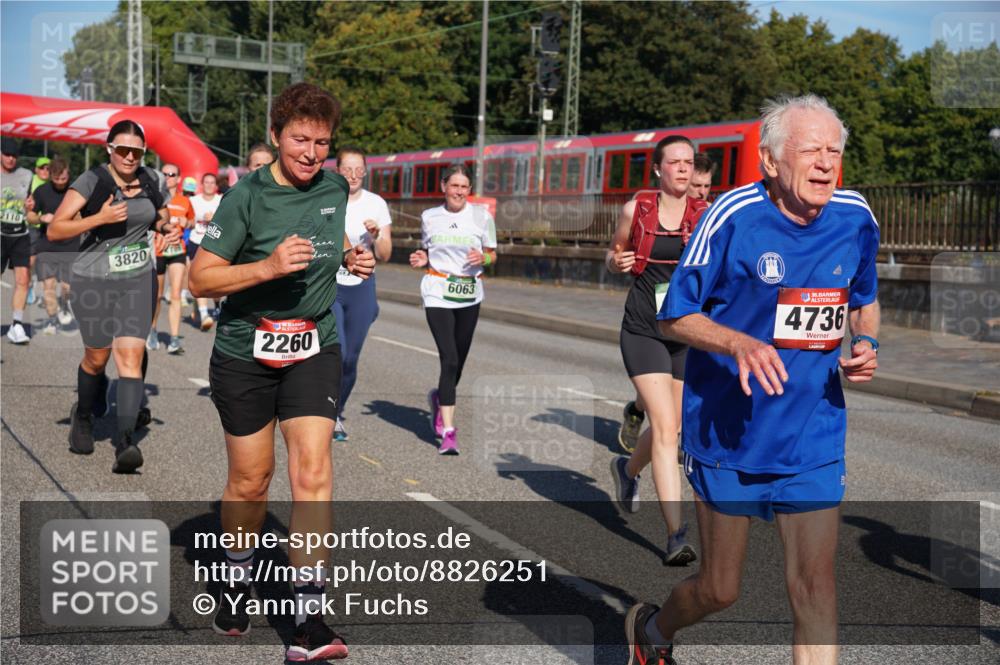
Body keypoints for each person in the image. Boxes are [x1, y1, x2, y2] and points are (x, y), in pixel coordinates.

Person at [625, 94, 880, 665]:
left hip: (812, 434)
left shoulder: (855, 217)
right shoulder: (732, 216)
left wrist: (866, 342)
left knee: (815, 587)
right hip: (729, 433)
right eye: (810, 151)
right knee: (720, 589)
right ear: (770, 160)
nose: (825, 164)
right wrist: (738, 342)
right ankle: (654, 630)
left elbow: (864, 298)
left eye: (834, 152)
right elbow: (673, 314)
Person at [189, 82, 374, 661]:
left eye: (321, 142)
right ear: (275, 136)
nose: (311, 153)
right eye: (300, 139)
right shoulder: (245, 197)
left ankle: (308, 619)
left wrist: (350, 257)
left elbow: (329, 240)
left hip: (314, 345)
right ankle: (236, 576)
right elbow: (200, 279)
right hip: (246, 352)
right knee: (252, 481)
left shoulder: (334, 188)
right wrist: (267, 266)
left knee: (313, 474)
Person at [49, 119, 178, 473]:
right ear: (109, 149)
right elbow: (56, 229)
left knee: (131, 356)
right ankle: (84, 415)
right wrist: (99, 218)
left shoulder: (152, 180)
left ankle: (125, 442)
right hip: (93, 279)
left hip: (138, 277)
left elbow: (160, 215)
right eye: (122, 149)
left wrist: (166, 228)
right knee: (97, 358)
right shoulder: (92, 181)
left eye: (137, 151)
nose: (130, 157)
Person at [606, 135, 706, 566]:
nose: (683, 168)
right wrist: (616, 262)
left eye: (689, 162)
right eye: (675, 162)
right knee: (665, 428)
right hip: (643, 329)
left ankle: (626, 470)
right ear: (658, 169)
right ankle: (675, 535)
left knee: (674, 427)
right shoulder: (637, 209)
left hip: (685, 333)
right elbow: (615, 253)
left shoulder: (706, 215)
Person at [408, 164, 497, 455]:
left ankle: (440, 398)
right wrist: (423, 258)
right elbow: (427, 251)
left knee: (458, 362)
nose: (459, 191)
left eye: (464, 186)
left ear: (469, 190)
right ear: (444, 187)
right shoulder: (429, 217)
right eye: (454, 185)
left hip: (469, 294)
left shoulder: (482, 217)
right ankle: (448, 431)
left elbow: (493, 254)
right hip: (437, 291)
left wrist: (483, 258)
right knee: (449, 359)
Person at [330, 146, 392, 441]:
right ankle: (328, 414)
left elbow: (386, 254)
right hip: (330, 285)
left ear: (365, 171)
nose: (353, 176)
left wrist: (377, 235)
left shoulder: (376, 204)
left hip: (362, 285)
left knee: (350, 359)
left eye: (358, 170)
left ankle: (337, 409)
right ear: (337, 171)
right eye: (347, 170)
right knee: (337, 351)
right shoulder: (328, 198)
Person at [27, 157, 77, 334]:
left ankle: (64, 304)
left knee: (67, 287)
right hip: (47, 245)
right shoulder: (42, 191)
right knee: (48, 286)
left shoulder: (76, 190)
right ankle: (52, 320)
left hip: (71, 245)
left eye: (64, 179)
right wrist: (41, 218)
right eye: (56, 179)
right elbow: (30, 216)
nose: (60, 183)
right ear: (50, 176)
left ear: (68, 174)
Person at [148, 163, 192, 354]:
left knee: (175, 295)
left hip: (177, 251)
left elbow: (192, 220)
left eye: (172, 174)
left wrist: (187, 222)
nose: (168, 177)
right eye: (164, 174)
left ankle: (174, 339)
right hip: (158, 251)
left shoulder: (185, 201)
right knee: (157, 296)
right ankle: (152, 330)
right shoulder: (154, 198)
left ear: (178, 178)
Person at [1, 136, 35, 345]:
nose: (11, 159)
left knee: (23, 280)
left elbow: (30, 204)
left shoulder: (27, 175)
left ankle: (17, 325)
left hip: (20, 235)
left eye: (14, 155)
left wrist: (30, 206)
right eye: (7, 155)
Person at [189, 172, 222, 330]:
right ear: (202, 185)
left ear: (216, 186)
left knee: (216, 279)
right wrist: (199, 219)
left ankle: (217, 306)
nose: (209, 185)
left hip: (216, 243)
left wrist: (214, 219)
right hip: (196, 241)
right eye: (206, 182)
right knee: (198, 277)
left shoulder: (221, 200)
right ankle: (204, 315)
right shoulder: (193, 201)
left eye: (212, 182)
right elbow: (188, 220)